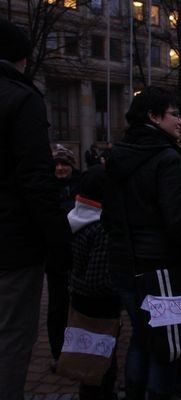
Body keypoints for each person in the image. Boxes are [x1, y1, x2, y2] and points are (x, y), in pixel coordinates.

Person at [102, 86, 181, 399]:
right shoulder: (166, 159)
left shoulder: (117, 155)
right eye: (174, 114)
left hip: (123, 263)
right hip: (160, 269)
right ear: (153, 116)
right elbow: (180, 222)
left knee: (142, 337)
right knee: (165, 346)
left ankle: (134, 394)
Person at [0, 19, 72, 400]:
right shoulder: (21, 98)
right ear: (24, 58)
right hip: (12, 244)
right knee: (12, 336)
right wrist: (59, 242)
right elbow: (36, 180)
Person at [66, 165, 121, 399]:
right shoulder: (100, 227)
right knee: (102, 359)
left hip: (78, 295)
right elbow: (99, 280)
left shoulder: (75, 217)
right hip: (99, 305)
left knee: (86, 352)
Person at [46, 143, 81, 366]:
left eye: (64, 164)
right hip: (56, 258)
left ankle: (80, 351)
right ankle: (58, 353)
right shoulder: (46, 187)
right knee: (57, 307)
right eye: (57, 164)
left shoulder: (81, 185)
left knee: (78, 307)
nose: (60, 168)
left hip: (78, 256)